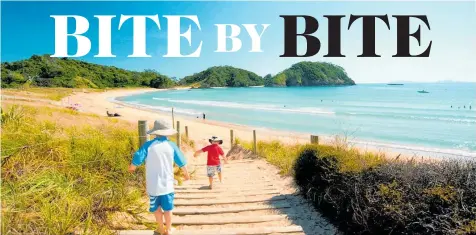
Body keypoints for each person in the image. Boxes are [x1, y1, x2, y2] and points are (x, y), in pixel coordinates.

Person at [128, 119, 190, 235]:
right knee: (168, 208)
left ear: (155, 132)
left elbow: (138, 156)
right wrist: (186, 173)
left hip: (153, 185)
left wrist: (132, 167)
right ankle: (169, 229)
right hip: (167, 185)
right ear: (168, 133)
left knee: (156, 208)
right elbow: (181, 160)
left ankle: (160, 228)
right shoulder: (171, 146)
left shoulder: (148, 145)